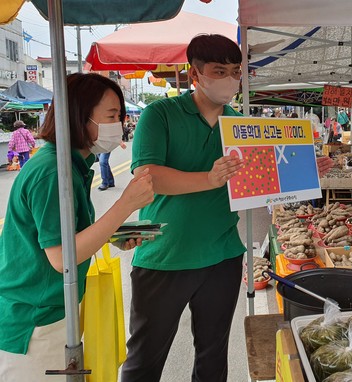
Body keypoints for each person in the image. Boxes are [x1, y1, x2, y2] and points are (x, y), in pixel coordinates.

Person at [122, 34, 332, 382]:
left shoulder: (239, 125)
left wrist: (306, 168)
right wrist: (209, 178)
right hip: (165, 255)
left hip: (222, 255)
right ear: (195, 74)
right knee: (145, 358)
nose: (230, 80)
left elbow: (266, 175)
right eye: (219, 71)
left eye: (235, 71)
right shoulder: (159, 114)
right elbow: (148, 176)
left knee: (213, 354)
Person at [0, 73, 154, 380]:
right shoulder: (52, 172)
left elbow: (68, 237)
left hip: (53, 310)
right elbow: (61, 258)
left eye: (120, 116)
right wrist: (125, 205)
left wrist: (113, 235)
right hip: (34, 321)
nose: (119, 124)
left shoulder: (72, 165)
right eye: (111, 116)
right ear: (79, 117)